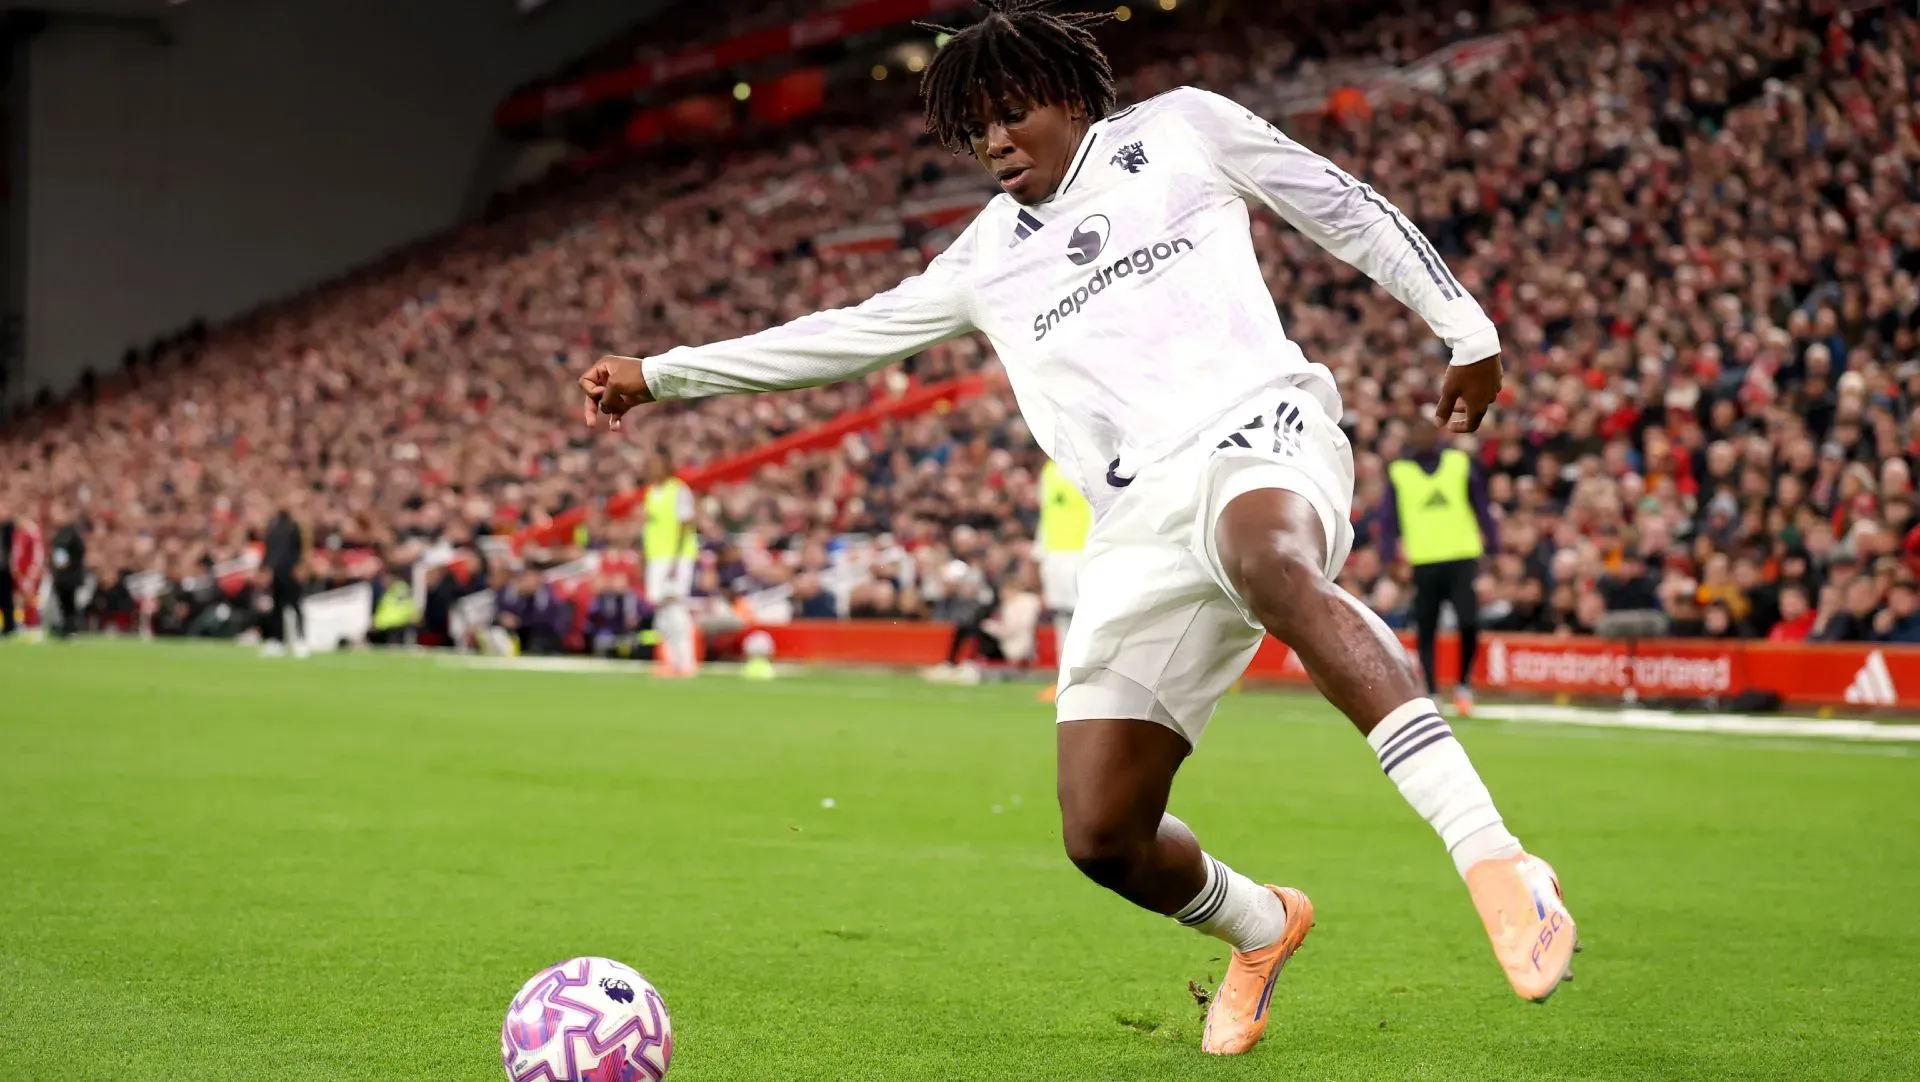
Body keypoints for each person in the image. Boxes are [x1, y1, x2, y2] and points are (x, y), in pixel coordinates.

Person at [576, 0, 1574, 1054]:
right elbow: (843, 338)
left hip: (1259, 435)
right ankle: (1263, 923)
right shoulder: (980, 262)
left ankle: (1497, 856)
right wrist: (661, 375)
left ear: (1067, 95)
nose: (994, 142)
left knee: (1272, 562)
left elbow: (1338, 202)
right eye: (976, 131)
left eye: (1009, 114)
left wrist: (1463, 324)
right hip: (1138, 524)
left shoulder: (1181, 129)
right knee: (1101, 833)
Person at [1379, 416, 1497, 716]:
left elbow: (1481, 506)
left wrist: (1493, 550)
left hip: (1461, 556)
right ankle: (1432, 691)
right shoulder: (1400, 471)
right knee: (1426, 627)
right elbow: (1389, 520)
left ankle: (1463, 684)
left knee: (1469, 622)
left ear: (1437, 434)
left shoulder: (1458, 463)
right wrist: (1389, 557)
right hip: (1424, 560)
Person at [1036, 458, 1092, 701]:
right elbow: (1046, 514)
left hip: (1083, 552)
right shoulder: (1048, 470)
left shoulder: (1088, 462)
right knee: (1061, 616)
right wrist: (1039, 552)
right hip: (1054, 556)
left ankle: (1087, 679)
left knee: (1085, 617)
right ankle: (1064, 679)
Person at [642, 455, 699, 677]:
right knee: (662, 608)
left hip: (675, 557)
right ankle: (669, 660)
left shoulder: (679, 490)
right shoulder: (650, 492)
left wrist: (676, 560)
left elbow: (685, 524)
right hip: (656, 556)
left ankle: (686, 662)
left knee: (675, 606)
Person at [261, 508, 308, 657]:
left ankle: (300, 640)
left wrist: (299, 567)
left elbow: (299, 550)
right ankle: (278, 641)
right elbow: (269, 551)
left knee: (295, 606)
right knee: (277, 608)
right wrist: (266, 568)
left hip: (291, 572)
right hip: (277, 573)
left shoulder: (294, 527)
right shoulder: (272, 527)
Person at [50, 512, 86, 640]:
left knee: (69, 604)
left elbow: (74, 554)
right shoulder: (62, 533)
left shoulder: (70, 533)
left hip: (69, 576)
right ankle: (65, 627)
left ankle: (71, 628)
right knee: (63, 604)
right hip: (62, 576)